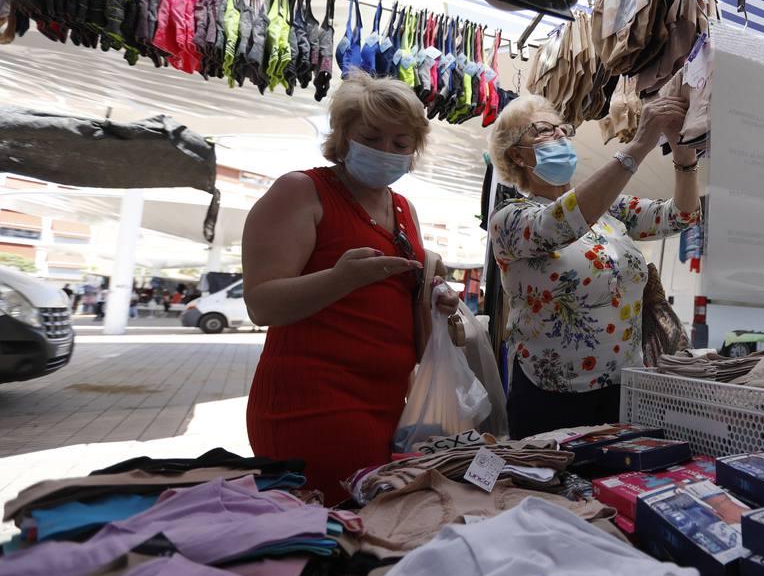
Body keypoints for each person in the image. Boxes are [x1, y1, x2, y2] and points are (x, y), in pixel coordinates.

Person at [242, 73, 457, 502]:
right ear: (343, 137)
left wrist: (434, 299)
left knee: (379, 527)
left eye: (400, 143)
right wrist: (341, 280)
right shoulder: (301, 191)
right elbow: (261, 304)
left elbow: (393, 294)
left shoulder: (402, 208)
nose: (386, 151)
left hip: (392, 403)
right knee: (345, 527)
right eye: (372, 138)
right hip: (315, 406)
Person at [488, 94, 700, 439]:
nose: (559, 136)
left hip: (624, 391)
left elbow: (681, 215)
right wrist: (636, 147)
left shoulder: (610, 211)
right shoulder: (510, 220)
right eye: (543, 130)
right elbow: (559, 224)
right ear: (516, 154)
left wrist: (684, 158)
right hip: (551, 397)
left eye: (563, 130)